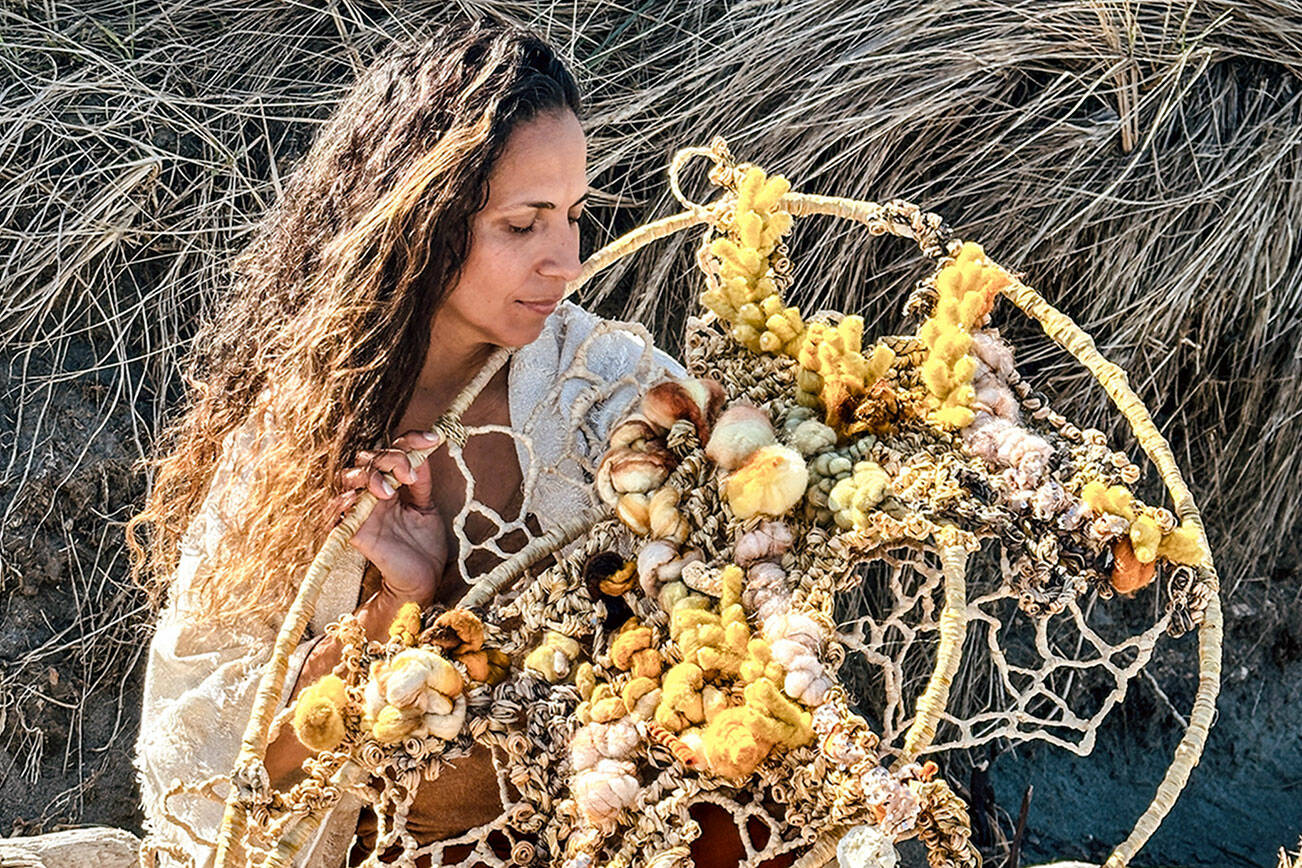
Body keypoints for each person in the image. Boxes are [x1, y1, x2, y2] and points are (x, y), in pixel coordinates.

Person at [129, 18, 791, 868]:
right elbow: (213, 765)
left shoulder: (608, 385)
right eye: (523, 225)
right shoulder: (296, 445)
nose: (567, 262)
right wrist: (391, 606)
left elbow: (744, 623)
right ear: (420, 226)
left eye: (574, 217)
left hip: (642, 832)